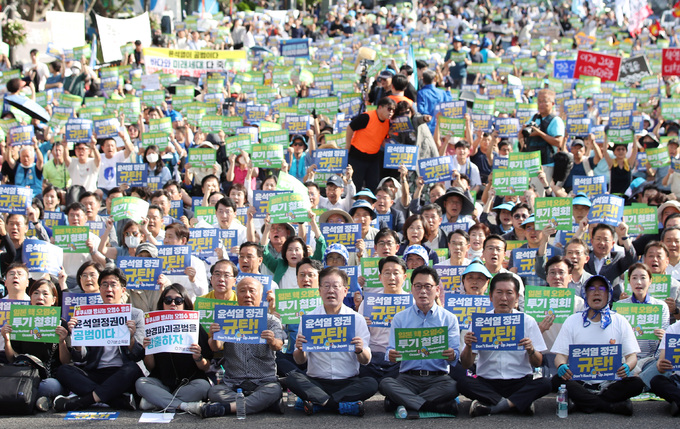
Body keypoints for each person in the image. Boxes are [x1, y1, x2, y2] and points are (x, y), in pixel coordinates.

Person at [288, 267, 378, 416]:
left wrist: (360, 350)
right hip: (316, 382)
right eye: (326, 286)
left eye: (336, 286)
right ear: (319, 291)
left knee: (371, 383)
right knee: (292, 378)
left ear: (345, 291)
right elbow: (299, 360)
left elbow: (366, 361)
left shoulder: (356, 319)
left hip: (348, 382)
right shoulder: (309, 319)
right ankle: (340, 405)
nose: (331, 291)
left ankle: (321, 404)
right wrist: (300, 350)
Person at [459, 273, 551, 417]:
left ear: (517, 297)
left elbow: (537, 362)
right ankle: (517, 403)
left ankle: (493, 406)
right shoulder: (480, 322)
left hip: (520, 381)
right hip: (488, 382)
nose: (504, 298)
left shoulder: (527, 321)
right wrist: (468, 346)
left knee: (545, 383)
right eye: (499, 293)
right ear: (490, 296)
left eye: (509, 293)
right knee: (462, 383)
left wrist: (531, 350)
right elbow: (466, 364)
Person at [54, 267, 145, 412]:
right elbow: (80, 359)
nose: (109, 289)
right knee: (64, 370)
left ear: (123, 290)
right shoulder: (89, 314)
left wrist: (131, 338)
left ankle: (83, 401)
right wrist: (77, 339)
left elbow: (138, 355)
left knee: (132, 369)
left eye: (113, 285)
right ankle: (116, 400)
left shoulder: (135, 315)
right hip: (96, 372)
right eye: (104, 285)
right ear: (100, 289)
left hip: (122, 372)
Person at [551, 275, 645, 415]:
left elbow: (632, 356)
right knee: (557, 380)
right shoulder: (572, 320)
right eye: (591, 289)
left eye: (601, 289)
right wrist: (561, 366)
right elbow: (561, 355)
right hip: (580, 381)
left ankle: (584, 403)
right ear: (585, 294)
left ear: (608, 294)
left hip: (610, 382)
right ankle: (610, 406)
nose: (596, 293)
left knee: (637, 384)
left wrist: (627, 366)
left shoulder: (620, 320)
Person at [379, 265, 460, 418]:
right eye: (418, 286)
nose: (423, 291)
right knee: (385, 384)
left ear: (437, 290)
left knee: (454, 386)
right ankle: (434, 406)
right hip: (408, 378)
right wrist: (391, 355)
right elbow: (390, 350)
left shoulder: (449, 318)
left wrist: (452, 355)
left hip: (438, 378)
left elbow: (455, 354)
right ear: (411, 289)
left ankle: (405, 403)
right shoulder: (400, 318)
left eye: (428, 286)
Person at [135, 284, 223, 417]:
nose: (173, 304)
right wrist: (148, 351)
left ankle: (158, 401)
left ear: (185, 303)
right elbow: (150, 367)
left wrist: (198, 358)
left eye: (178, 300)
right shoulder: (153, 327)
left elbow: (206, 367)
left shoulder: (195, 327)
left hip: (190, 383)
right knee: (141, 383)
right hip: (162, 383)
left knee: (203, 387)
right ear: (162, 303)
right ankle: (183, 406)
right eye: (168, 300)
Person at [207, 276, 286, 415]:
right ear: (237, 295)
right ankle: (260, 404)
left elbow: (279, 345)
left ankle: (228, 408)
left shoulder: (271, 320)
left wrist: (272, 341)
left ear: (261, 295)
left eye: (252, 291)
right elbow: (216, 347)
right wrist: (214, 336)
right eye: (243, 291)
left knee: (274, 390)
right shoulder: (227, 318)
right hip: (233, 382)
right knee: (214, 392)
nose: (247, 295)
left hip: (264, 381)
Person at [1, 279, 70, 410]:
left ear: (54, 299)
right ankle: (34, 400)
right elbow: (11, 358)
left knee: (51, 386)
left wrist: (62, 342)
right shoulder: (20, 321)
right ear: (30, 298)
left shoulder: (61, 324)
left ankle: (19, 398)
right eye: (36, 293)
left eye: (45, 294)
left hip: (48, 378)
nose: (40, 297)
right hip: (24, 375)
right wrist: (7, 340)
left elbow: (66, 361)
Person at [358, 256, 411, 381]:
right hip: (373, 357)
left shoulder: (412, 303)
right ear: (380, 277)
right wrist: (362, 324)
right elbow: (359, 336)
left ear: (404, 277)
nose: (392, 277)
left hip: (400, 357)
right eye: (387, 273)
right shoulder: (369, 302)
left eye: (396, 273)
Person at [346, 97, 396, 191]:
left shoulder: (387, 123)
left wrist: (393, 150)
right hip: (357, 157)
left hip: (373, 159)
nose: (391, 112)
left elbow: (382, 140)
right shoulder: (367, 117)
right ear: (380, 107)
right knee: (355, 187)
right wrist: (347, 145)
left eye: (393, 110)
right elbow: (350, 127)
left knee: (373, 186)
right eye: (389, 109)